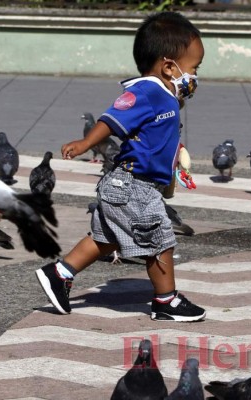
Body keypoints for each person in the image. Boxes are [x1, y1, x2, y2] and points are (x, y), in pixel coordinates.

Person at [35, 11, 206, 322]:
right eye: (194, 68)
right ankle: (166, 300)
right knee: (159, 240)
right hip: (133, 187)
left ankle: (60, 273)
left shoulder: (166, 94)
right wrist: (86, 143)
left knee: (106, 237)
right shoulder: (146, 92)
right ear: (169, 67)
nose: (195, 76)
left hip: (129, 185)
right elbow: (113, 119)